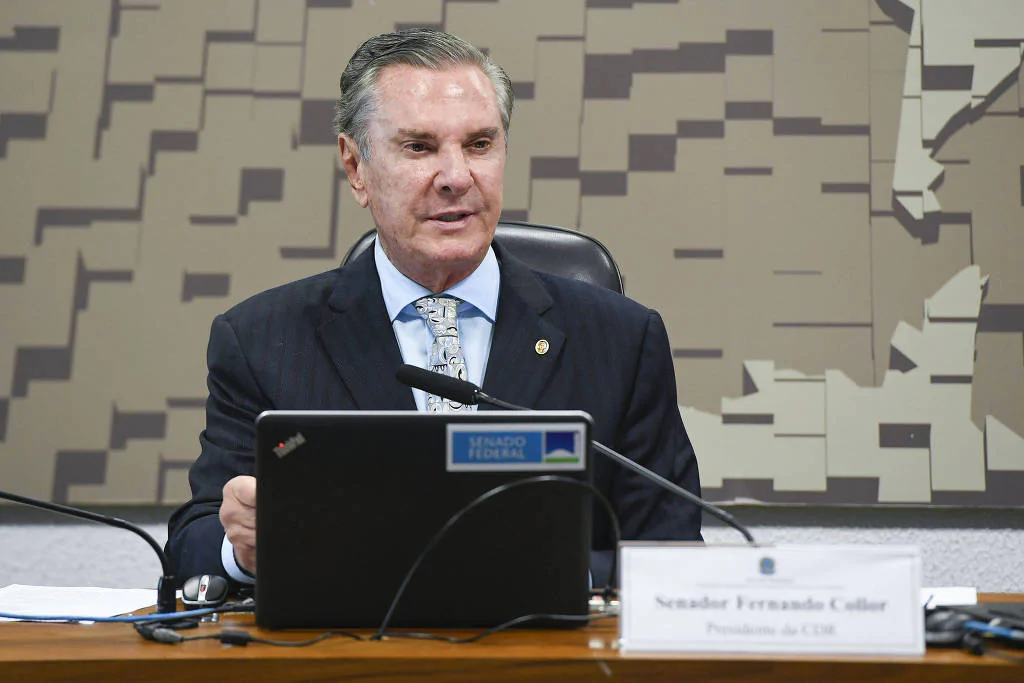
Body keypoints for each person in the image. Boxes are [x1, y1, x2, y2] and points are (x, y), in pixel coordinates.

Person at [166, 28, 702, 590]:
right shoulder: (262, 340)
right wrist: (242, 549)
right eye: (419, 147)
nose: (455, 177)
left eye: (478, 145)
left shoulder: (620, 339)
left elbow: (672, 554)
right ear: (356, 168)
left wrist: (531, 570)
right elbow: (192, 546)